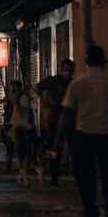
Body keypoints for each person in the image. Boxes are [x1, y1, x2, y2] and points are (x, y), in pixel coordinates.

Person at [54, 44, 108, 217]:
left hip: (85, 134)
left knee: (86, 176)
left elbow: (67, 114)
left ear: (86, 60)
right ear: (103, 61)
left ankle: (91, 215)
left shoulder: (78, 83)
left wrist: (58, 140)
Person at [37, 59, 75, 187]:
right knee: (55, 146)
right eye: (65, 69)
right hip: (55, 117)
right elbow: (39, 87)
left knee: (73, 146)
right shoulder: (54, 80)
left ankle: (75, 174)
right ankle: (54, 176)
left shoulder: (73, 83)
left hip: (71, 117)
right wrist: (44, 101)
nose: (67, 72)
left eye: (69, 70)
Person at [9, 80, 36, 187]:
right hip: (17, 127)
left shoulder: (23, 98)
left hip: (23, 127)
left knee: (24, 152)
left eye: (13, 90)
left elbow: (21, 112)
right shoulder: (17, 98)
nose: (12, 92)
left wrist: (15, 101)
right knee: (20, 152)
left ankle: (23, 174)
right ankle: (22, 175)